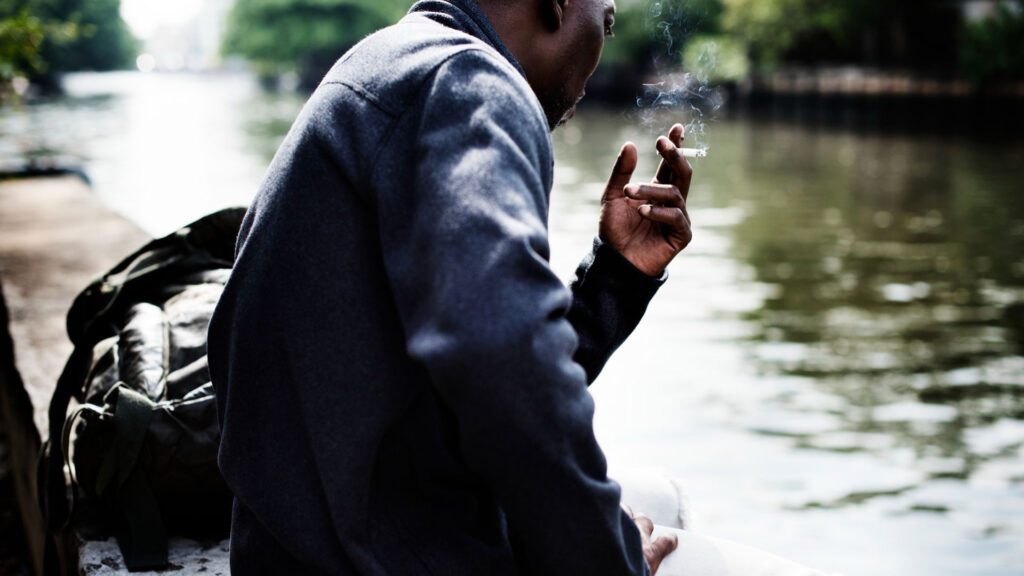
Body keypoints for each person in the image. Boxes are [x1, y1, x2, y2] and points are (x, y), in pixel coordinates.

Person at [207, 0, 695, 573]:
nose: (601, 49)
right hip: (381, 555)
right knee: (668, 514)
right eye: (606, 21)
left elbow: (476, 368)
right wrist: (612, 559)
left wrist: (616, 276)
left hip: (303, 543)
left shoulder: (388, 62)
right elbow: (503, 357)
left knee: (650, 499)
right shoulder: (471, 82)